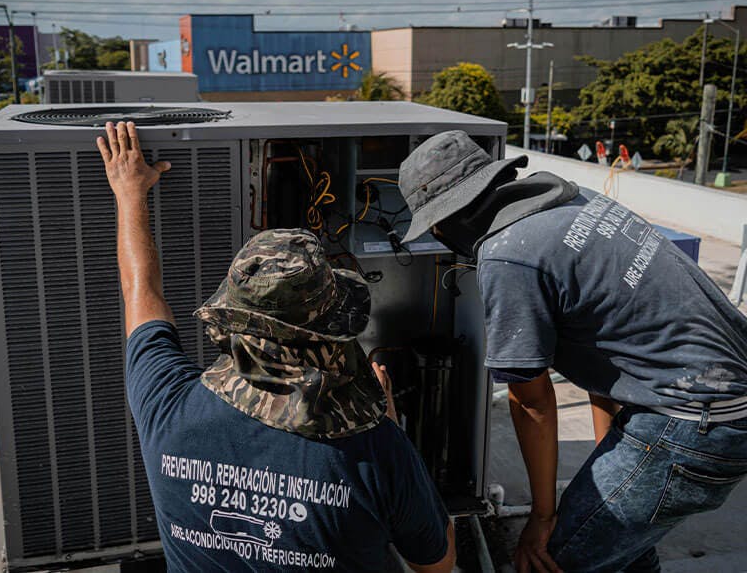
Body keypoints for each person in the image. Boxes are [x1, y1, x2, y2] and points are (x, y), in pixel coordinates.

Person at [97, 121, 455, 573]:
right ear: (330, 332)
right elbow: (437, 562)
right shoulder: (376, 449)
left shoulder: (167, 405)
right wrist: (386, 421)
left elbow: (140, 294)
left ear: (233, 316)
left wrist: (129, 194)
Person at [398, 130, 747, 573]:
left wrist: (542, 518)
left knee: (554, 561)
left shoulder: (508, 256)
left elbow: (533, 401)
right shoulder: (573, 202)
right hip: (719, 406)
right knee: (624, 551)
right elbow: (607, 348)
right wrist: (610, 461)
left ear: (444, 224)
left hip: (692, 423)